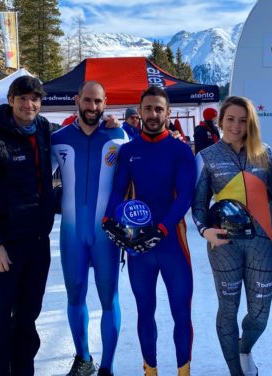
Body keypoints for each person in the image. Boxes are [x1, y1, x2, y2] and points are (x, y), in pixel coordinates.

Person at [103, 86, 196, 376]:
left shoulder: (180, 150)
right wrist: (109, 220)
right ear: (140, 111)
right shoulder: (129, 151)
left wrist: (163, 229)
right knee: (145, 311)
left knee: (181, 313)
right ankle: (150, 370)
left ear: (168, 113)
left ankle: (184, 371)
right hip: (139, 246)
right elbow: (118, 189)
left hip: (171, 244)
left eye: (159, 109)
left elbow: (184, 197)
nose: (153, 114)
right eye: (148, 108)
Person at [0, 76, 55, 375]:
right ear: (10, 100)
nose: (28, 104)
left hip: (38, 243)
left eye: (34, 99)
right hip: (4, 246)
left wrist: (112, 125)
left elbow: (75, 133)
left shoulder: (42, 129)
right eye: (22, 98)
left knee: (28, 318)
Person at [192, 96, 272, 376]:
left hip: (260, 243)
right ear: (220, 122)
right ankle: (236, 371)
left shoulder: (266, 153)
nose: (236, 125)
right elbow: (198, 204)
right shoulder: (206, 157)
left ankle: (243, 349)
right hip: (224, 244)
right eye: (230, 119)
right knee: (228, 309)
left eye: (243, 119)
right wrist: (205, 230)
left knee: (260, 314)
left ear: (251, 122)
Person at [50, 80, 127, 376]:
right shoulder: (58, 139)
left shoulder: (119, 136)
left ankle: (107, 367)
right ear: (77, 100)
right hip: (71, 235)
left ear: (105, 103)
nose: (92, 107)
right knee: (75, 297)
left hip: (106, 236)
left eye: (98, 102)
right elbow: (34, 180)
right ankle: (83, 359)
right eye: (87, 101)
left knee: (109, 300)